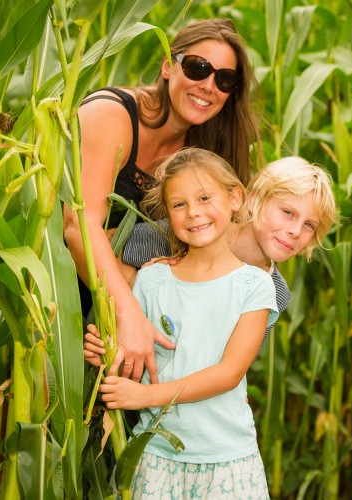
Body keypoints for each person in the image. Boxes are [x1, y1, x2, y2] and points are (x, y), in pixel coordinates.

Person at [64, 18, 260, 382]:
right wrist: (130, 316)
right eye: (198, 67)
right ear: (168, 66)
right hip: (61, 300)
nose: (208, 85)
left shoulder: (203, 151)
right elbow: (78, 226)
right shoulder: (112, 115)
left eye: (224, 79)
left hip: (134, 312)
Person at [86, 148, 278, 498]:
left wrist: (145, 395)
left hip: (227, 460)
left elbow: (228, 373)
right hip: (154, 456)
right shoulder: (152, 279)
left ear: (235, 197)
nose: (194, 213)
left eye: (205, 198)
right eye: (179, 205)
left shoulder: (255, 285)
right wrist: (107, 352)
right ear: (168, 215)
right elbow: (136, 360)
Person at [116, 156, 338, 354]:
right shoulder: (188, 232)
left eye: (309, 225)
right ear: (252, 201)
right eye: (288, 212)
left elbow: (233, 364)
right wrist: (139, 285)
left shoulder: (275, 291)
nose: (296, 231)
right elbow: (105, 250)